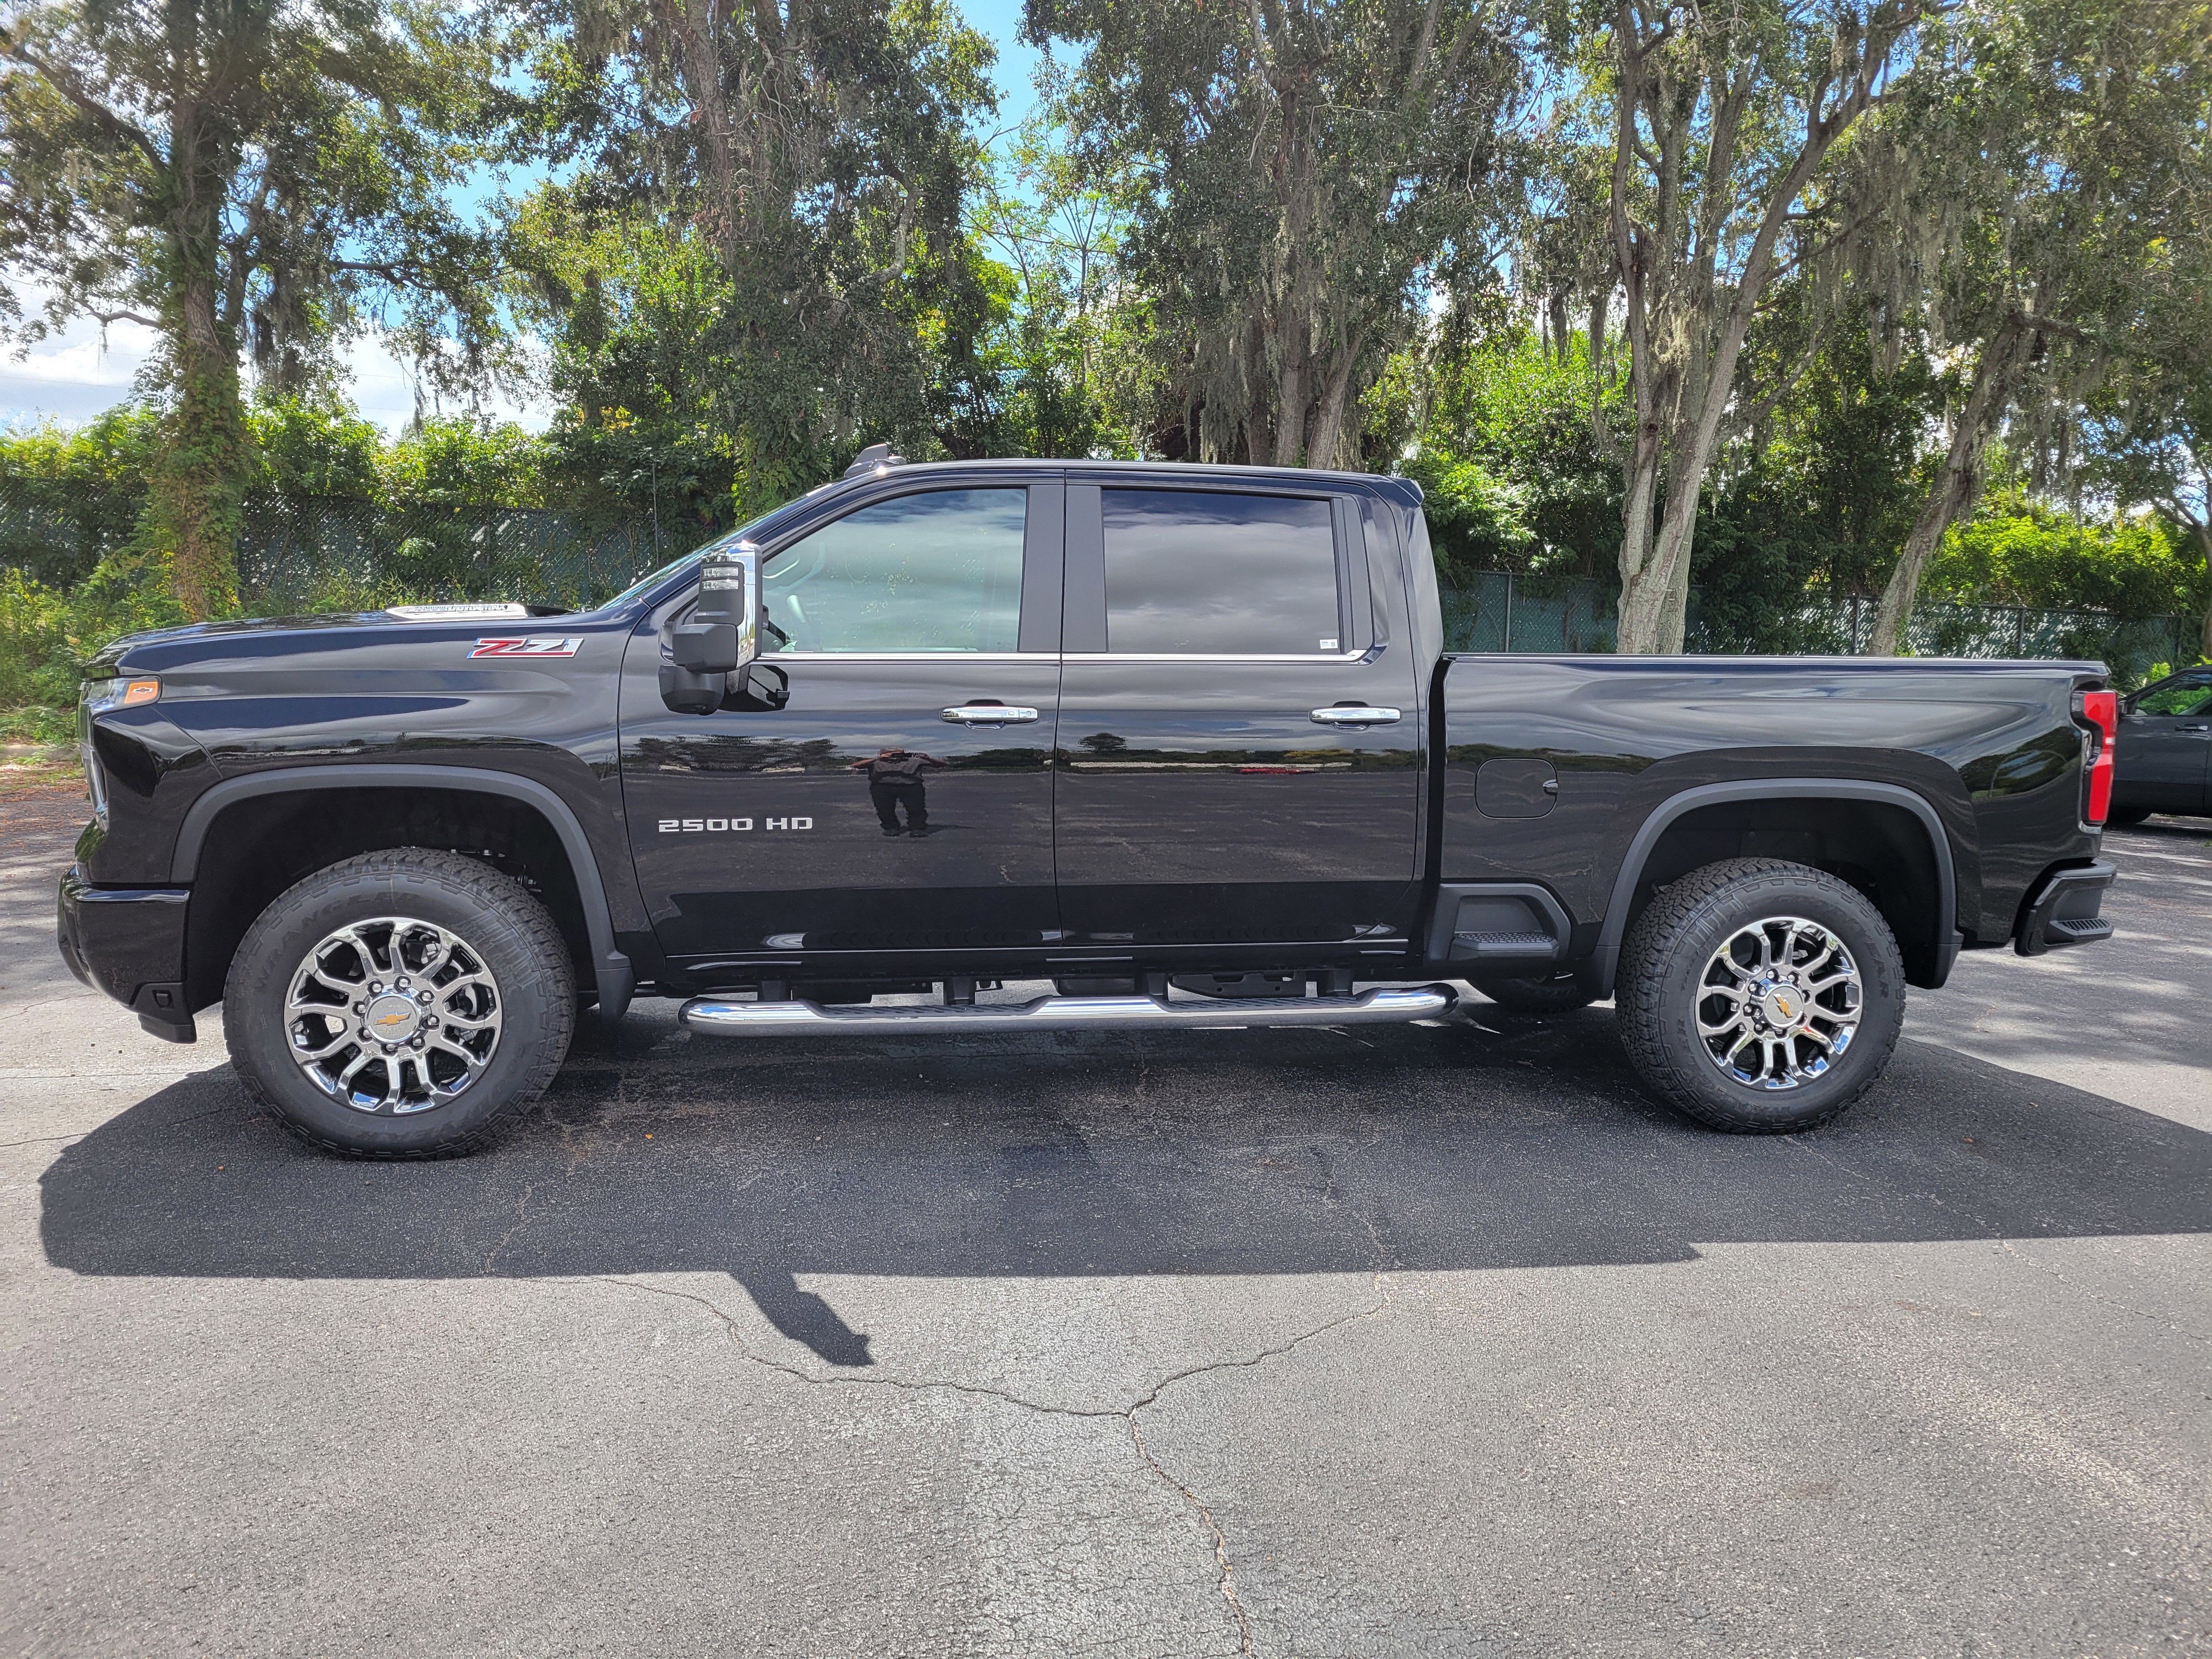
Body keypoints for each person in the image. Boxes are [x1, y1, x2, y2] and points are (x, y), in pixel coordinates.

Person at [850, 746, 947, 837]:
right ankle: (891, 827)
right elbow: (856, 765)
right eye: (893, 754)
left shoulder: (914, 761)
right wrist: (878, 758)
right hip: (882, 787)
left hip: (911, 786)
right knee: (884, 809)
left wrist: (928, 758)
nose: (896, 756)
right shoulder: (876, 762)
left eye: (900, 754)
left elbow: (942, 764)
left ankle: (917, 828)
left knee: (916, 808)